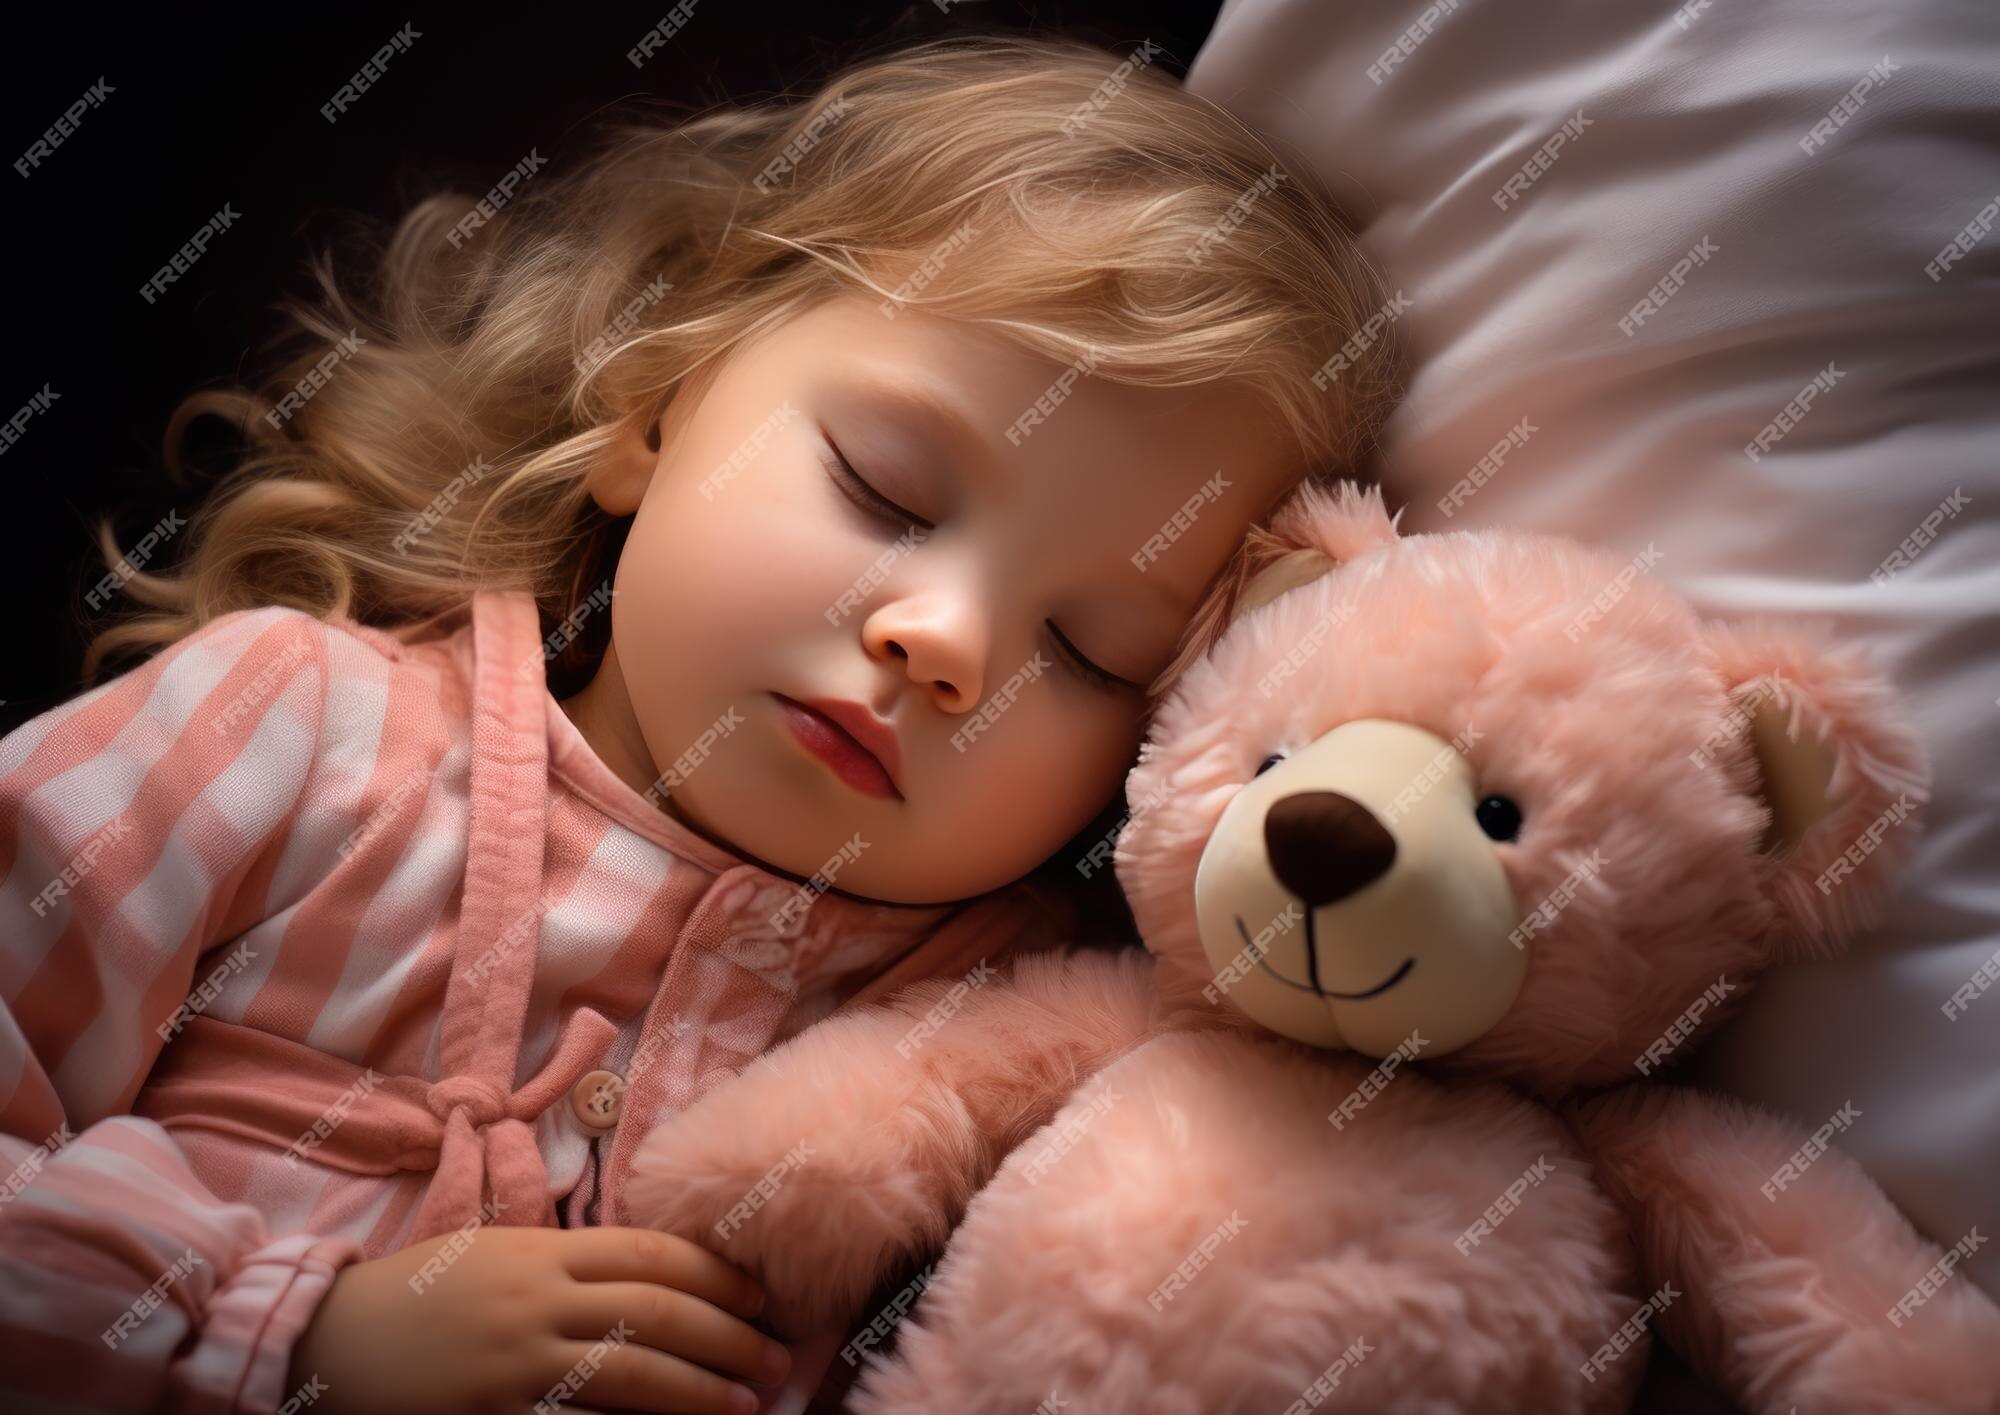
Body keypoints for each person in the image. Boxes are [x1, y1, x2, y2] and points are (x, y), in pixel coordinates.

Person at [0, 33, 1397, 1415]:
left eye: (1093, 652)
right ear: (652, 408)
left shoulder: (1016, 1042)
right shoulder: (286, 730)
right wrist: (290, 1336)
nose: (948, 645)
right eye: (888, 492)